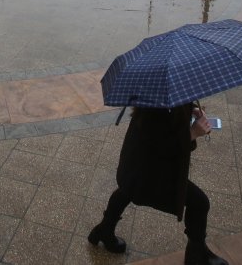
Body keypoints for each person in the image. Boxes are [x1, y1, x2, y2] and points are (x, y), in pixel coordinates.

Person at [88, 103, 228, 265]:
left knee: (126, 190)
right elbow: (161, 147)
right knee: (200, 203)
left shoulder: (153, 98)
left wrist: (190, 111)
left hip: (135, 167)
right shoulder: (154, 110)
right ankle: (196, 256)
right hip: (148, 176)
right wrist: (192, 133)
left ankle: (104, 230)